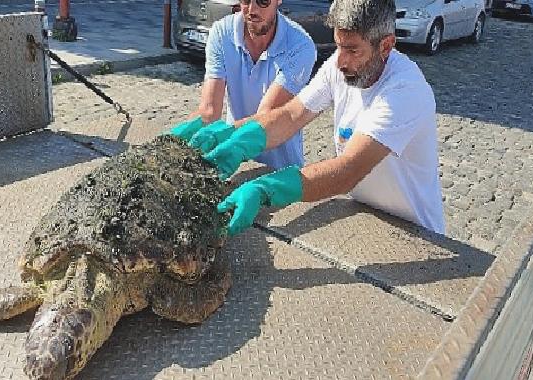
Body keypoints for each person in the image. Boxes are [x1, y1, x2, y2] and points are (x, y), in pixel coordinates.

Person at [186, 0, 446, 237]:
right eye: (338, 46)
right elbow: (291, 114)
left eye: (353, 50)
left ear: (386, 46)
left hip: (415, 229)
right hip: (362, 211)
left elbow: (349, 169)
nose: (341, 61)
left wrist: (268, 188)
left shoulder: (404, 91)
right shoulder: (338, 65)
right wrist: (237, 138)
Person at [170, 0, 317, 170]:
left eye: (263, 1)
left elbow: (265, 118)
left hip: (279, 169)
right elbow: (209, 111)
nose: (252, 10)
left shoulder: (300, 46)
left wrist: (221, 135)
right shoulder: (222, 33)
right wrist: (174, 143)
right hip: (233, 161)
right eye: (246, 0)